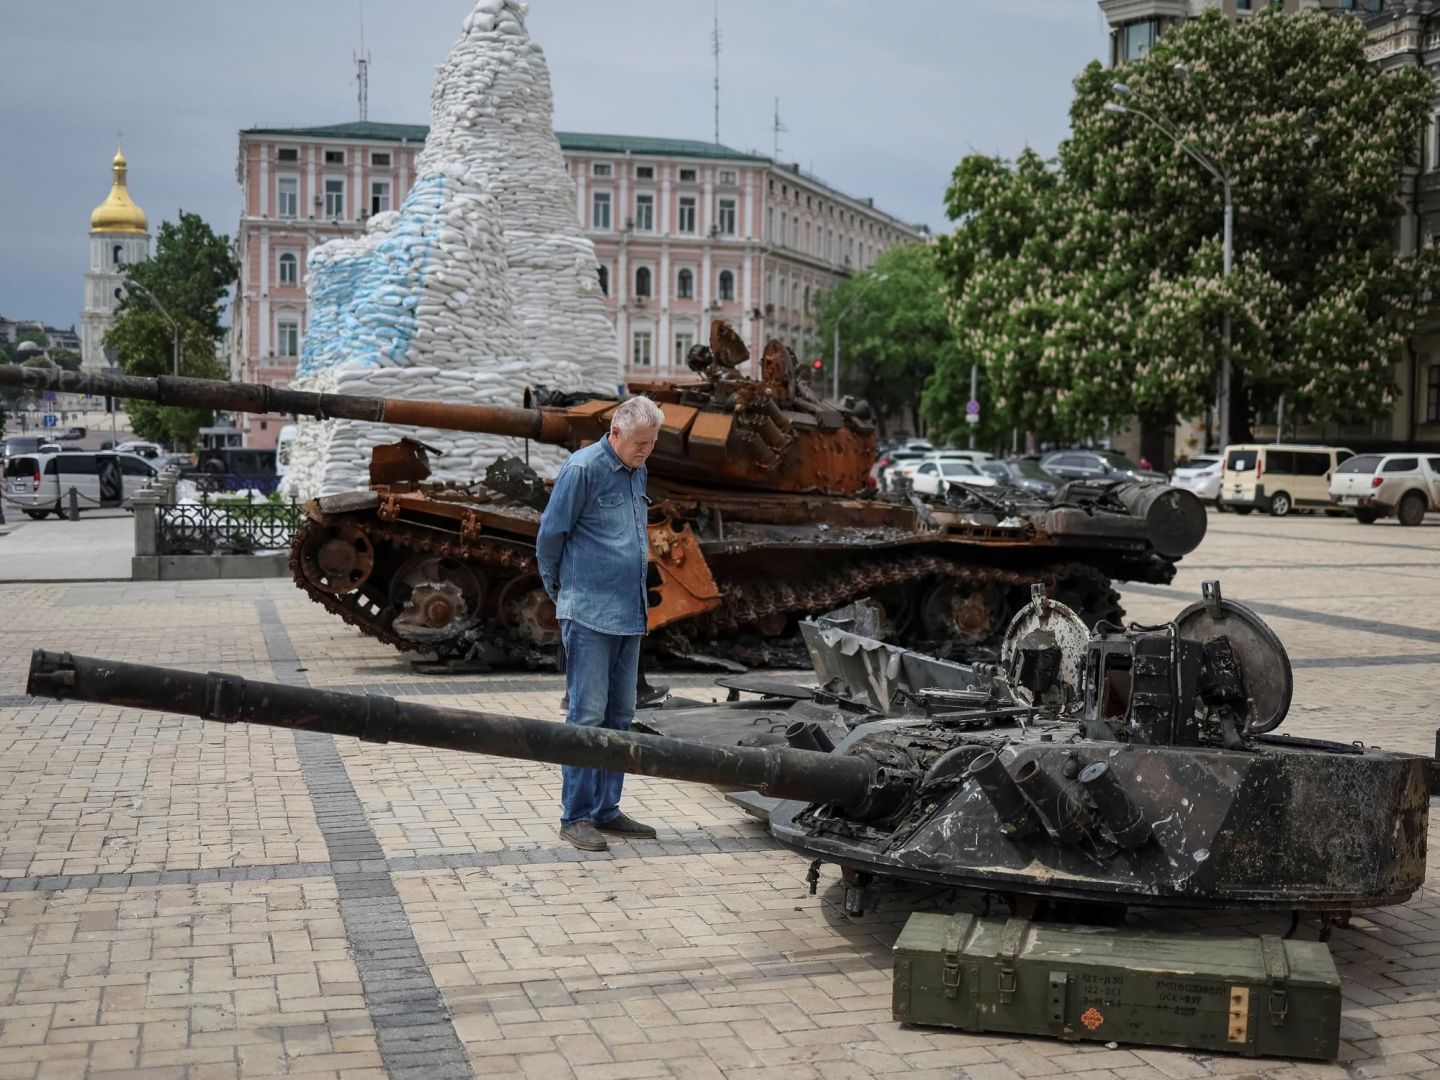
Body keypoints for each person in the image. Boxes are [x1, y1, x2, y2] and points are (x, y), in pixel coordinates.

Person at [536, 395, 665, 852]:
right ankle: (576, 816)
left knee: (620, 718)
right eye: (639, 443)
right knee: (586, 717)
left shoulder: (638, 469)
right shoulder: (582, 469)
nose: (646, 451)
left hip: (629, 616)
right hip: (589, 615)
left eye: (651, 444)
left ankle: (606, 809)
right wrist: (562, 596)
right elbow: (550, 537)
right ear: (615, 433)